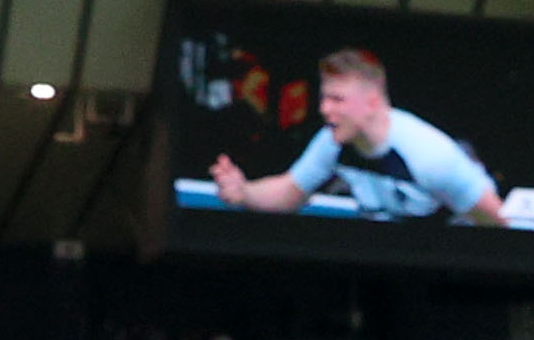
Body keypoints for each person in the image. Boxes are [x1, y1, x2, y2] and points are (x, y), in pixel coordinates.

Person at [207, 47, 512, 227]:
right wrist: (244, 192)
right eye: (325, 98)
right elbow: (289, 192)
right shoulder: (333, 141)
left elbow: (500, 223)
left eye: (337, 100)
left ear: (373, 102)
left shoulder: (431, 157)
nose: (324, 110)